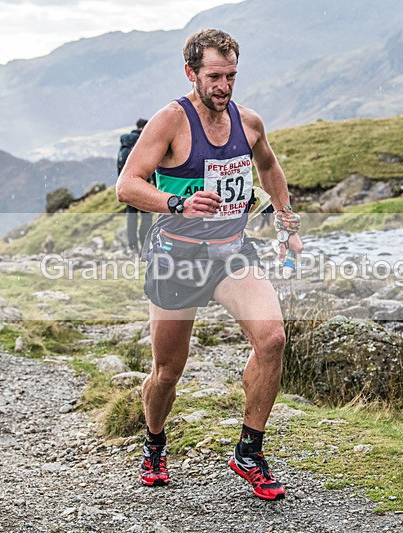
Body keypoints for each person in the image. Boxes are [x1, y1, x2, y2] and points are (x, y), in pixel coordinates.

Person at [115, 28, 303, 501]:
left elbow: (269, 167)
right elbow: (128, 185)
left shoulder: (249, 122)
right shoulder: (170, 122)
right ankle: (155, 442)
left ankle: (249, 450)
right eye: (214, 76)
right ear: (191, 73)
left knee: (273, 338)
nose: (224, 86)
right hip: (177, 256)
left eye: (231, 76)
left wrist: (287, 222)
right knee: (167, 372)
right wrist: (177, 203)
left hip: (231, 253)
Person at [118, 118, 153, 253]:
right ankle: (144, 244)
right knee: (146, 216)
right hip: (143, 186)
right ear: (144, 127)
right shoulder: (142, 142)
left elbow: (120, 167)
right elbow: (151, 166)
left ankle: (133, 247)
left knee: (131, 217)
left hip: (127, 186)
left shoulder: (124, 145)